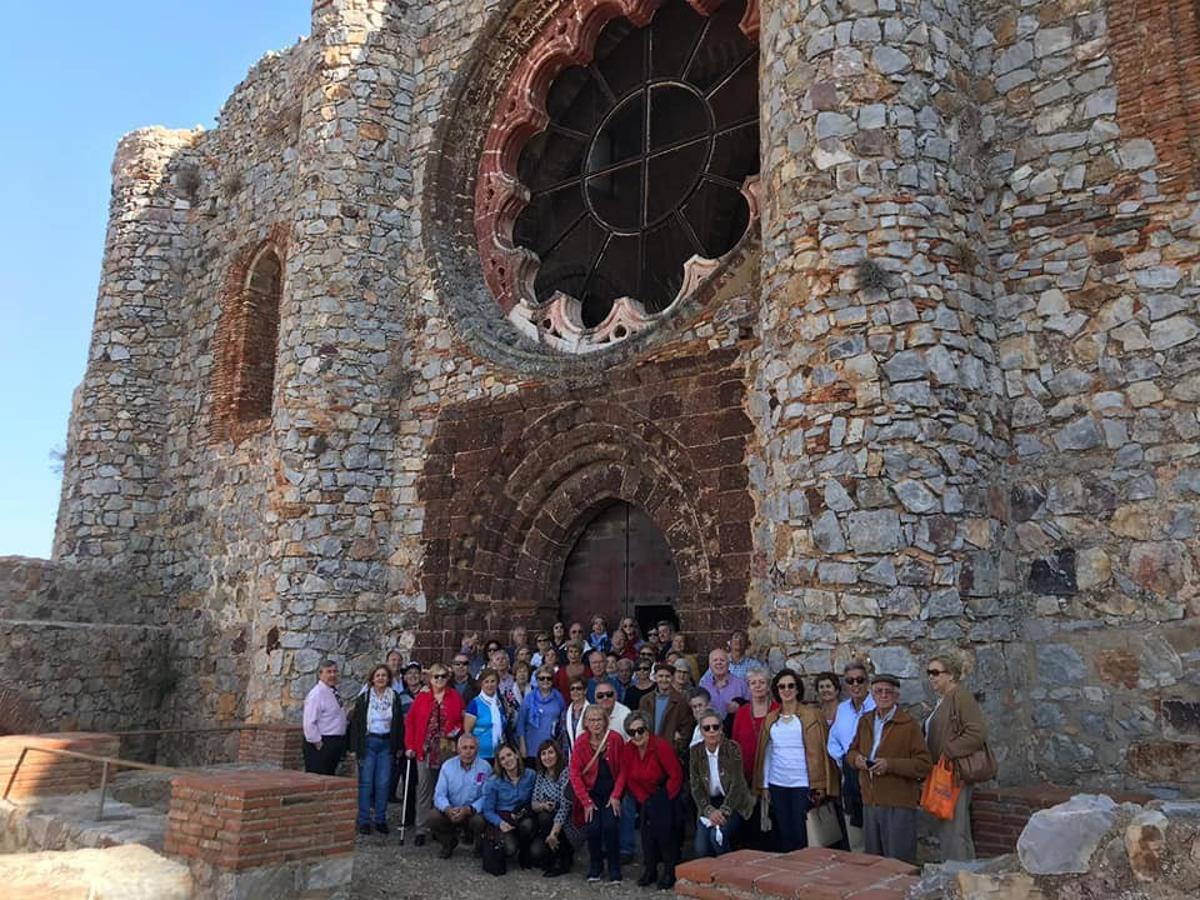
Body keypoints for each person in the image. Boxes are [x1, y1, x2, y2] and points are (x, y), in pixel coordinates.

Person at [752, 669, 839, 853]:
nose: (786, 689)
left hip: (803, 783)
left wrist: (821, 784)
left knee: (803, 833)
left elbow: (822, 750)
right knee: (784, 832)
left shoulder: (812, 715)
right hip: (778, 782)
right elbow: (767, 753)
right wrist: (765, 785)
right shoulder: (771, 718)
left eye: (791, 685)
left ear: (798, 688)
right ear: (776, 690)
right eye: (782, 686)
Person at [848, 674, 932, 864]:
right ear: (872, 695)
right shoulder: (865, 721)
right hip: (870, 801)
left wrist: (890, 765)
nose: (884, 695)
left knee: (898, 862)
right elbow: (851, 751)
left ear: (896, 697)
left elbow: (924, 764)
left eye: (889, 692)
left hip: (898, 803)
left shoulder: (909, 725)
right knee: (873, 863)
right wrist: (857, 760)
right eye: (879, 691)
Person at [925, 654, 988, 861]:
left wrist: (948, 752)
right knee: (953, 828)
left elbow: (976, 733)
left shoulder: (961, 697)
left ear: (951, 675)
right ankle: (964, 873)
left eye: (936, 672)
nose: (931, 677)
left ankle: (957, 876)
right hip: (944, 771)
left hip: (954, 772)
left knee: (954, 829)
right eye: (929, 673)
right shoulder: (944, 700)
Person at [405, 662, 466, 846]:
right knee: (424, 789)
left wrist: (456, 731)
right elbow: (411, 722)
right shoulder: (422, 698)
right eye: (436, 676)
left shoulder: (454, 696)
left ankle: (443, 827)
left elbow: (462, 720)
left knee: (447, 790)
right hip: (425, 749)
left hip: (447, 748)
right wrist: (409, 745)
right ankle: (422, 828)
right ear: (430, 678)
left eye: (443, 676)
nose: (439, 680)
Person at [622, 711, 684, 889]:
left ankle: (669, 871)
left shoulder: (660, 746)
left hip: (665, 793)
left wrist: (664, 800)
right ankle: (650, 869)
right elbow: (630, 778)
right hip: (645, 796)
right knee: (646, 834)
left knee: (664, 833)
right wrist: (644, 799)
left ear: (648, 729)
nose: (637, 735)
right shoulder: (628, 749)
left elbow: (675, 775)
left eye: (640, 730)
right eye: (632, 732)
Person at [568, 704, 626, 883]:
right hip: (591, 793)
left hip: (610, 792)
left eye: (599, 719)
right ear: (585, 722)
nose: (595, 723)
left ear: (605, 721)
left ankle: (614, 867)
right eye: (591, 720)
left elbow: (624, 769)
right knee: (593, 828)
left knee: (610, 826)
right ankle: (596, 866)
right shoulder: (581, 741)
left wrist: (616, 795)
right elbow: (575, 773)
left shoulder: (615, 739)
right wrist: (585, 801)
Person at [348, 663, 406, 834]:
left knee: (383, 783)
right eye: (378, 675)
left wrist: (399, 745)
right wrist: (354, 749)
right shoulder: (364, 698)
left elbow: (399, 723)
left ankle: (380, 819)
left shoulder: (394, 697)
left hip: (387, 743)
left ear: (389, 678)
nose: (381, 678)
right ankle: (364, 820)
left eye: (384, 675)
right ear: (372, 679)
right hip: (369, 742)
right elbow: (356, 724)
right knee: (366, 783)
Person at [690, 709, 754, 857]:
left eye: (715, 727)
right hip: (709, 803)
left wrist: (723, 812)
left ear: (721, 729)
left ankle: (728, 871)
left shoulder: (732, 748)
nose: (712, 731)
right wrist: (709, 811)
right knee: (701, 848)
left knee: (717, 837)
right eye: (707, 728)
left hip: (733, 803)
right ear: (701, 731)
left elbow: (738, 785)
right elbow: (696, 786)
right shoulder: (695, 752)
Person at [828, 660, 875, 852]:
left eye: (859, 680)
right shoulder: (842, 709)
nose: (855, 685)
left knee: (873, 830)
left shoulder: (876, 706)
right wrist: (846, 760)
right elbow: (832, 741)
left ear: (867, 682)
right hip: (849, 774)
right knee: (855, 833)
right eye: (850, 681)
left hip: (873, 775)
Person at [730, 666, 777, 849]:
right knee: (749, 821)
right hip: (746, 774)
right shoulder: (742, 712)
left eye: (762, 682)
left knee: (769, 821)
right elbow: (735, 741)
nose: (758, 687)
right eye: (753, 683)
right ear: (748, 686)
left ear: (768, 686)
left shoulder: (776, 710)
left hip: (771, 775)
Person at [430, 734, 492, 858]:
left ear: (477, 749)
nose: (468, 752)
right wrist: (447, 809)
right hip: (452, 810)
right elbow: (439, 794)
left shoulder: (485, 767)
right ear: (458, 750)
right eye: (464, 748)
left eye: (471, 748)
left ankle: (479, 846)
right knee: (432, 817)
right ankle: (448, 844)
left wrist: (469, 809)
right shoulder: (447, 766)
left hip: (472, 811)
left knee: (480, 821)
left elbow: (487, 796)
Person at [595, 679, 635, 860]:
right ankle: (604, 847)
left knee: (626, 805)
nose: (605, 698)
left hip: (623, 769)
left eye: (609, 694)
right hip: (599, 771)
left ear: (616, 695)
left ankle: (626, 848)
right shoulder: (591, 714)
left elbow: (632, 745)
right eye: (600, 696)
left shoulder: (624, 713)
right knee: (600, 806)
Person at [482, 743, 537, 867]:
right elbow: (488, 811)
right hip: (503, 818)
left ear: (516, 755)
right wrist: (500, 823)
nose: (507, 760)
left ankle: (525, 849)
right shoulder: (493, 782)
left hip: (523, 816)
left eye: (509, 755)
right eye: (502, 758)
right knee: (509, 849)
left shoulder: (531, 775)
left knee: (528, 825)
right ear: (499, 763)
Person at [530, 739, 579, 877]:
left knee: (545, 817)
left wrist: (553, 834)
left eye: (551, 752)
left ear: (557, 753)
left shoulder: (566, 773)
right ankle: (551, 852)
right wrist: (543, 805)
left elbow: (565, 806)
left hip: (566, 822)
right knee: (535, 854)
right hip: (547, 821)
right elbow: (534, 803)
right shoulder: (541, 774)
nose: (547, 757)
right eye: (543, 754)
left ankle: (562, 858)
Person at [302, 660, 348, 775]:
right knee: (318, 779)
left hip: (334, 742)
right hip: (322, 743)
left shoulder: (332, 692)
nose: (332, 675)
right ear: (320, 674)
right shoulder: (316, 694)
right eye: (328, 672)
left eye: (335, 671)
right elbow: (309, 722)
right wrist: (318, 742)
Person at [517, 665, 566, 768]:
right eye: (541, 678)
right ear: (537, 680)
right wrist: (522, 746)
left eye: (549, 678)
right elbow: (521, 723)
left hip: (552, 748)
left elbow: (563, 721)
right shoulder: (529, 698)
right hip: (532, 748)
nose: (545, 681)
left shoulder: (559, 697)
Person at [639, 662, 688, 755]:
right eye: (661, 676)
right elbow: (641, 724)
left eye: (667, 676)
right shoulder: (645, 700)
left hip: (670, 751)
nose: (664, 679)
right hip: (648, 750)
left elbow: (685, 729)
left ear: (672, 678)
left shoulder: (681, 701)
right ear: (655, 677)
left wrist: (676, 747)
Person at [464, 668, 507, 762]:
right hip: (480, 755)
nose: (490, 685)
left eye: (493, 681)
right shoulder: (475, 704)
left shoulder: (501, 703)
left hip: (499, 754)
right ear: (481, 684)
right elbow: (467, 732)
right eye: (486, 682)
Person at [699, 648, 748, 717]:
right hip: (710, 727)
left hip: (734, 726)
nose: (718, 663)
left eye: (722, 660)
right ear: (710, 665)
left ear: (728, 664)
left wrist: (740, 708)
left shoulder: (741, 685)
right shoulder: (703, 686)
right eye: (715, 660)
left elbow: (751, 708)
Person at [560, 677, 590, 760]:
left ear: (585, 691)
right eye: (572, 689)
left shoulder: (592, 711)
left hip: (588, 756)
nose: (575, 691)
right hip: (568, 757)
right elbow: (563, 738)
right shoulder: (565, 713)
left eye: (579, 688)